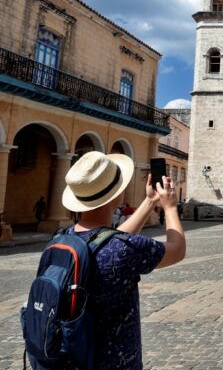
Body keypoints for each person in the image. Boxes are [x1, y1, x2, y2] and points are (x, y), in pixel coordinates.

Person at [60, 151, 185, 369]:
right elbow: (177, 250)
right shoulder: (124, 249)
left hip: (69, 356)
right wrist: (170, 207)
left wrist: (149, 202)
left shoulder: (63, 238)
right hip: (114, 361)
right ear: (117, 196)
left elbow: (108, 239)